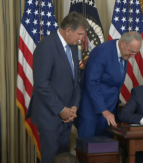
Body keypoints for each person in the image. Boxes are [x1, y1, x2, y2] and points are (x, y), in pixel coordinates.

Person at [25, 12, 89, 163]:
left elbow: (75, 80)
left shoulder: (72, 46)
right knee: (51, 158)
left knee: (63, 158)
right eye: (79, 34)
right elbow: (42, 85)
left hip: (67, 116)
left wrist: (74, 106)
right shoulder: (46, 46)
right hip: (50, 116)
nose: (82, 38)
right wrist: (62, 110)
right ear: (68, 30)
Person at [77, 31, 142, 138]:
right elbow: (92, 83)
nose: (133, 56)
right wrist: (104, 110)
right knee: (88, 149)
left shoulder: (124, 53)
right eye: (132, 52)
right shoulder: (101, 52)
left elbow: (112, 83)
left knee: (107, 149)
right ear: (122, 44)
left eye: (136, 53)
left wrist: (117, 102)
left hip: (109, 110)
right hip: (91, 111)